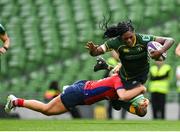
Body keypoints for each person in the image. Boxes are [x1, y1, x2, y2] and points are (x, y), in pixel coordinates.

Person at [86, 20, 174, 102]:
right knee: (138, 108)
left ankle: (106, 67)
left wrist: (160, 51)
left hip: (141, 75)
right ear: (120, 37)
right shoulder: (115, 42)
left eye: (131, 37)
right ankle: (106, 67)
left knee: (138, 107)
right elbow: (96, 52)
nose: (129, 40)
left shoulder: (143, 39)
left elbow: (170, 40)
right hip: (126, 76)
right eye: (125, 38)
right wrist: (93, 51)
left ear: (134, 32)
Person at [5, 71, 149, 117]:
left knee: (47, 110)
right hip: (80, 93)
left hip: (82, 91)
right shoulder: (119, 82)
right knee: (47, 110)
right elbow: (124, 96)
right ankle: (15, 101)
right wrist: (141, 89)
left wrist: (142, 106)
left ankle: (16, 102)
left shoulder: (120, 89)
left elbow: (138, 111)